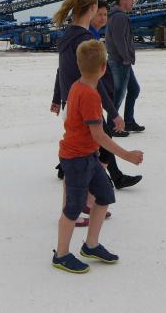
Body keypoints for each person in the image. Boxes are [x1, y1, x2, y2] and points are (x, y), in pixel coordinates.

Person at [52, 40, 144, 273]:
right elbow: (99, 135)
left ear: (79, 65)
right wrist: (127, 155)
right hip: (76, 159)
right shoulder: (89, 95)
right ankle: (61, 255)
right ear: (104, 68)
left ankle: (91, 245)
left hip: (88, 156)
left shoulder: (78, 86)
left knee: (104, 195)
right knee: (72, 208)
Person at [50, 0, 141, 194]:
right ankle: (91, 190)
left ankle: (85, 180)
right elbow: (95, 81)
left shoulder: (68, 34)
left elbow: (61, 70)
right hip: (83, 102)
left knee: (86, 145)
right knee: (101, 144)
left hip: (70, 101)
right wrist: (114, 112)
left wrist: (57, 98)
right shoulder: (84, 39)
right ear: (92, 8)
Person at [105, 0, 145, 135]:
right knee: (118, 94)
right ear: (122, 0)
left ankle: (128, 122)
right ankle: (112, 126)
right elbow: (119, 40)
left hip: (121, 60)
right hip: (120, 61)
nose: (133, 2)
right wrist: (126, 57)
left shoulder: (117, 16)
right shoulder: (119, 17)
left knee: (134, 89)